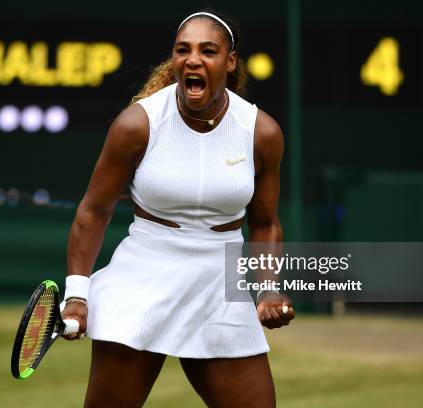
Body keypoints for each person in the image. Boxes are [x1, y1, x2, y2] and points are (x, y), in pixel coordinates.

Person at [61, 10, 295, 407]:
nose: (193, 59)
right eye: (182, 50)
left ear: (230, 61)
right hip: (143, 278)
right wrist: (77, 295)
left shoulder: (262, 133)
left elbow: (265, 223)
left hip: (221, 285)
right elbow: (93, 211)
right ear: (173, 59)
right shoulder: (136, 125)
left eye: (208, 50)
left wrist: (268, 290)